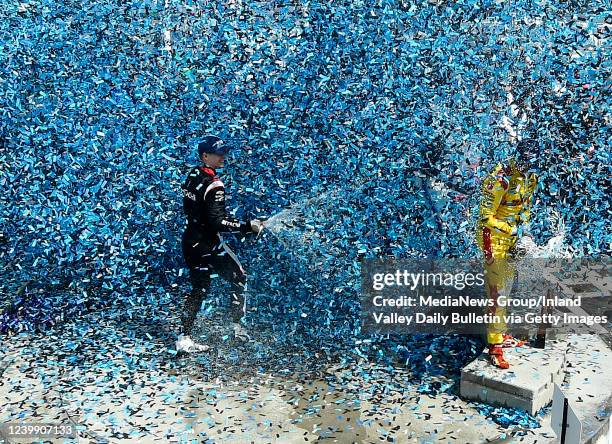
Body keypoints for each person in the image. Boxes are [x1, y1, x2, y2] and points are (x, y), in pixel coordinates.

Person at [177, 135, 264, 353]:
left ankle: (184, 338)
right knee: (239, 277)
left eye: (223, 152)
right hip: (209, 245)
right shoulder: (215, 184)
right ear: (205, 156)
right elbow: (217, 221)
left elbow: (196, 211)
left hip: (190, 241)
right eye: (218, 153)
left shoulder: (193, 175)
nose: (223, 157)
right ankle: (236, 327)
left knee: (199, 288)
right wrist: (247, 226)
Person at [475, 139, 540, 369]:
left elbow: (525, 207)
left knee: (508, 288)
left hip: (514, 238)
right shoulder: (499, 179)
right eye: (524, 162)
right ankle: (494, 347)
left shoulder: (530, 177)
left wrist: (525, 231)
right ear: (517, 156)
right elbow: (484, 218)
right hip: (493, 239)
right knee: (497, 293)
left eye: (531, 163)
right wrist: (510, 229)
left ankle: (501, 334)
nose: (527, 167)